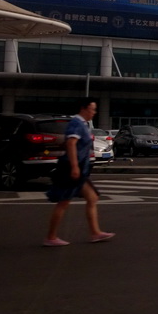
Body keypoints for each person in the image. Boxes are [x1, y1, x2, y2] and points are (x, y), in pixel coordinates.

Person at [44, 98, 115, 246]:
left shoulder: (83, 124)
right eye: (92, 109)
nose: (94, 112)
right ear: (83, 109)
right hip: (71, 168)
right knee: (63, 202)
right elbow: (71, 143)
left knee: (92, 198)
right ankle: (51, 237)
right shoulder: (76, 123)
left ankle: (95, 233)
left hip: (79, 169)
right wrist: (75, 166)